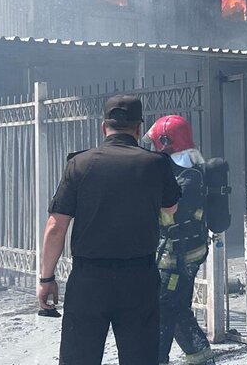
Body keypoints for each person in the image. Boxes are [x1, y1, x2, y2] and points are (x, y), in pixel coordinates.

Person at [37, 95, 181, 365]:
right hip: (139, 279)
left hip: (89, 280)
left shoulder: (79, 164)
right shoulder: (156, 164)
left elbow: (56, 226)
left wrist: (46, 279)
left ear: (104, 126)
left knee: (79, 359)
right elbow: (171, 208)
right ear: (139, 128)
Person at [144, 115, 215, 365]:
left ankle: (156, 359)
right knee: (177, 308)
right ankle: (202, 357)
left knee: (163, 309)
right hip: (175, 254)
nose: (153, 149)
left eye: (156, 144)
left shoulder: (189, 176)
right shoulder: (179, 171)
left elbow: (170, 212)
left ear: (166, 143)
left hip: (179, 258)